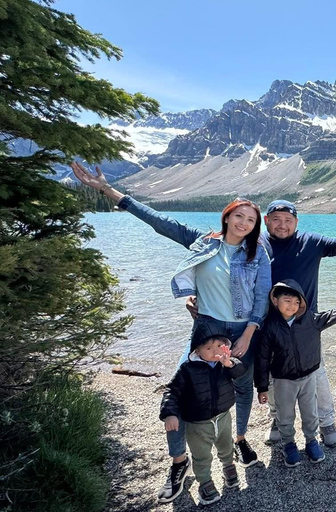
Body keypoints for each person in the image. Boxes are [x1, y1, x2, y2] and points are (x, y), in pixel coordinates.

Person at [70, 162, 271, 503]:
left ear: (255, 226)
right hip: (207, 328)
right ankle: (179, 461)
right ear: (227, 217)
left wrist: (249, 334)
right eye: (239, 216)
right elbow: (160, 222)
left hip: (242, 331)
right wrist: (107, 190)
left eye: (251, 220)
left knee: (241, 387)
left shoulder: (257, 253)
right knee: (180, 389)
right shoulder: (202, 242)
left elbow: (262, 297)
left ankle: (238, 439)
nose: (244, 223)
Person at [189, 198, 336, 448]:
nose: (282, 225)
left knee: (316, 374)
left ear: (296, 222)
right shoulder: (256, 244)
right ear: (266, 221)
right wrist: (198, 295)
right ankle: (278, 420)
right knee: (272, 375)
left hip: (304, 325)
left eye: (288, 220)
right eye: (276, 219)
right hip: (267, 324)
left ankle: (327, 423)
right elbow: (223, 266)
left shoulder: (311, 242)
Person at [255, 280, 336, 467]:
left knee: (310, 413)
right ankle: (289, 444)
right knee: (285, 415)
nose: (292, 306)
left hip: (308, 377)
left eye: (296, 302)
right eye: (287, 301)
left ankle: (311, 441)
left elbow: (332, 316)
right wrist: (262, 387)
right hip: (283, 380)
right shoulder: (270, 327)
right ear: (275, 301)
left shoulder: (311, 320)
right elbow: (262, 358)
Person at [160, 323, 246, 506]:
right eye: (208, 348)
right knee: (201, 455)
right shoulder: (187, 370)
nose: (215, 351)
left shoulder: (225, 364)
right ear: (197, 351)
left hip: (223, 417)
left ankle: (229, 467)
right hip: (198, 423)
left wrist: (229, 364)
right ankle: (205, 482)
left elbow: (240, 372)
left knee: (226, 446)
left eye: (219, 346)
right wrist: (170, 414)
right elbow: (172, 391)